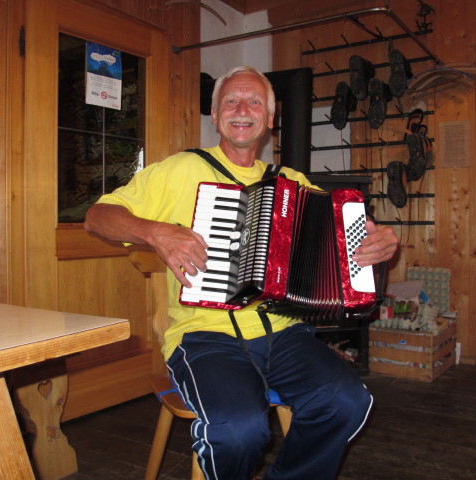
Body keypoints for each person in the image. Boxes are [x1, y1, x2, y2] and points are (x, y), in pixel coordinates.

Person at [85, 66, 398, 480]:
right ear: (215, 116)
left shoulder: (293, 182)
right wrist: (154, 232)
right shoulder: (181, 169)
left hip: (285, 333)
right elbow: (96, 217)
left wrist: (378, 246)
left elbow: (345, 252)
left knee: (348, 401)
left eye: (254, 102)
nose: (241, 109)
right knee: (238, 430)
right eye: (230, 101)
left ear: (270, 119)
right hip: (205, 337)